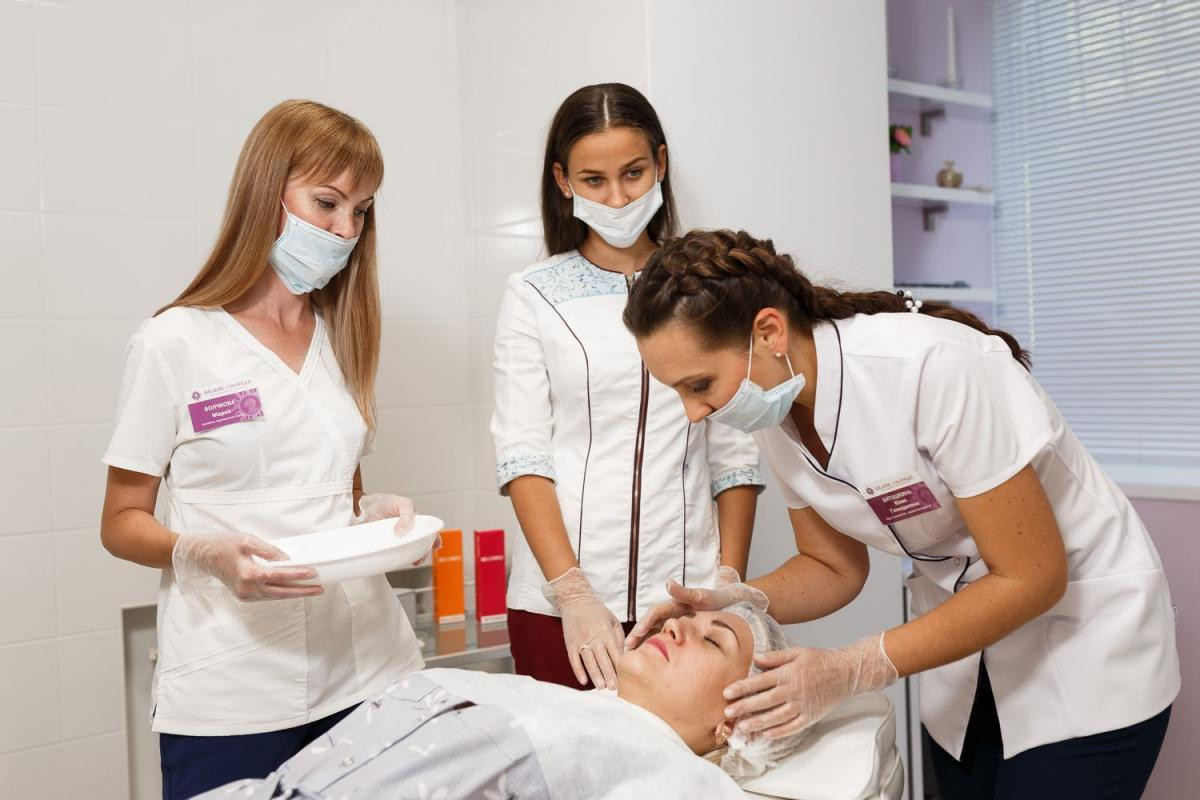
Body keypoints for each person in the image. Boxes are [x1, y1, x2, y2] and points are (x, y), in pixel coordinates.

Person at [622, 229, 1180, 799]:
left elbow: (1031, 576)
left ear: (769, 332)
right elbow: (833, 567)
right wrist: (733, 598)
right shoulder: (774, 409)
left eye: (700, 384)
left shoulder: (933, 367)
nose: (694, 413)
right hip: (965, 653)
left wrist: (853, 668)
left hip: (1082, 644)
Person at [99, 100, 428, 799]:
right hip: (233, 687)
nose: (346, 231)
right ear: (265, 193)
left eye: (361, 211)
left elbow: (340, 489)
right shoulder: (173, 342)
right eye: (327, 203)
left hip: (368, 670)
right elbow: (121, 522)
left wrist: (372, 513)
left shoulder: (344, 333)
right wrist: (202, 552)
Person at [491, 83, 764, 691]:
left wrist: (726, 583)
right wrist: (573, 593)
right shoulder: (533, 294)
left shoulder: (708, 289)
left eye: (633, 173)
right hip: (560, 608)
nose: (617, 198)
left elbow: (735, 453)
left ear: (660, 164)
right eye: (594, 180)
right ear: (563, 181)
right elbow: (523, 454)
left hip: (684, 605)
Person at [191, 603, 806, 799]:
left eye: (713, 640)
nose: (676, 626)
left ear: (737, 721)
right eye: (684, 618)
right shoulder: (559, 700)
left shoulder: (679, 779)